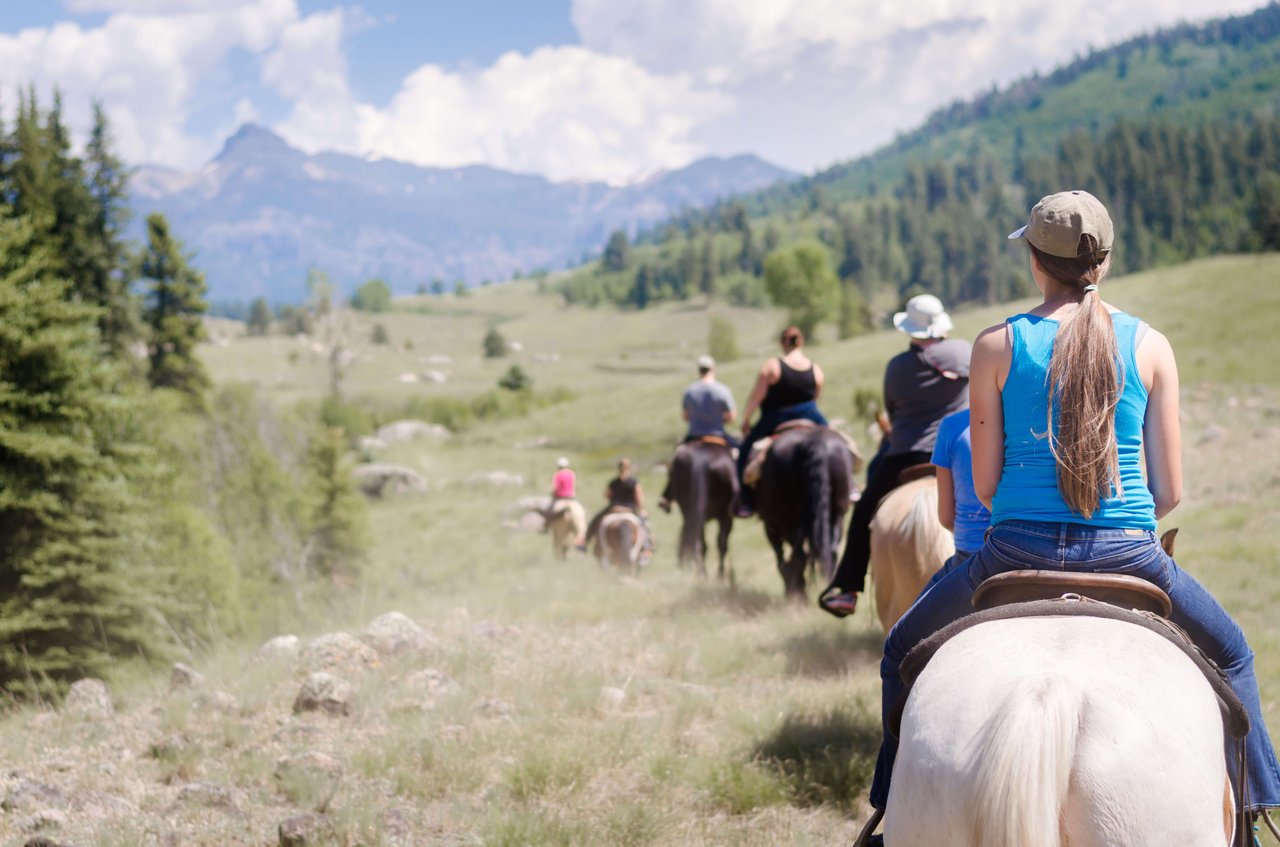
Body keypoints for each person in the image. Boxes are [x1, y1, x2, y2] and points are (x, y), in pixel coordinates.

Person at [859, 190, 1280, 835]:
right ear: (1103, 262)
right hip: (1130, 554)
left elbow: (991, 484)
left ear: (1035, 260)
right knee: (1234, 657)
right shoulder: (1152, 345)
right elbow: (1169, 493)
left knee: (899, 651)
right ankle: (1256, 816)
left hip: (1012, 551)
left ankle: (889, 809)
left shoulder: (997, 345)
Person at [821, 295, 971, 616]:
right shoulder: (964, 352)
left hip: (905, 454)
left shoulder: (898, 367)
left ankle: (848, 587)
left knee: (864, 510)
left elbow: (892, 410)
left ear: (910, 329)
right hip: (959, 454)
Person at [733, 326, 828, 517]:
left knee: (743, 452)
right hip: (809, 415)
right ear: (801, 342)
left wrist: (746, 420)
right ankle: (850, 485)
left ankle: (746, 500)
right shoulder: (815, 369)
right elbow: (816, 398)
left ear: (782, 343)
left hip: (777, 417)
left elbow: (756, 397)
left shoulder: (772, 366)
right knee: (838, 441)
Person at [659, 355, 737, 513]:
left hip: (694, 437)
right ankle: (743, 497)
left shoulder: (690, 391)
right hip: (718, 436)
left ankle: (668, 496)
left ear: (699, 371)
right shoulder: (722, 390)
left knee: (676, 461)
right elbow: (731, 416)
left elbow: (685, 416)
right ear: (713, 370)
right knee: (740, 457)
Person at [924, 408, 990, 589]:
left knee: (914, 616)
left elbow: (946, 517)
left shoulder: (951, 426)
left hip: (971, 554)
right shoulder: (1035, 420)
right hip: (1035, 551)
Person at [583, 458, 653, 554]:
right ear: (629, 468)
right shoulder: (634, 482)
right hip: (630, 509)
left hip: (615, 507)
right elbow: (639, 498)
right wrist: (642, 509)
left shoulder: (613, 482)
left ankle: (586, 540)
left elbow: (607, 495)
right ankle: (647, 547)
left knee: (595, 520)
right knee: (644, 525)